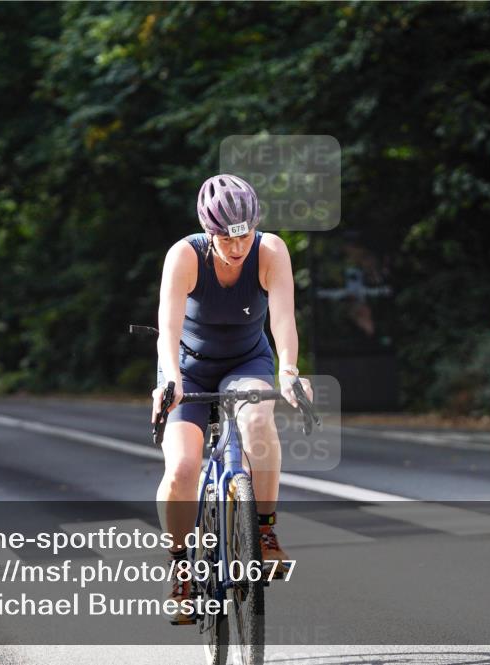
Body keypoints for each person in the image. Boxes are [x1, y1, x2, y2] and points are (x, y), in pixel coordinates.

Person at [152, 174, 312, 624]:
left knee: (259, 424)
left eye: (244, 235)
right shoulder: (184, 256)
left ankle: (263, 532)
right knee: (182, 467)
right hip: (188, 367)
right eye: (226, 237)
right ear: (209, 230)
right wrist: (169, 379)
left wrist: (290, 371)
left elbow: (282, 319)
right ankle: (181, 568)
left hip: (247, 362)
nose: (237, 247)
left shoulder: (271, 251)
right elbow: (167, 329)